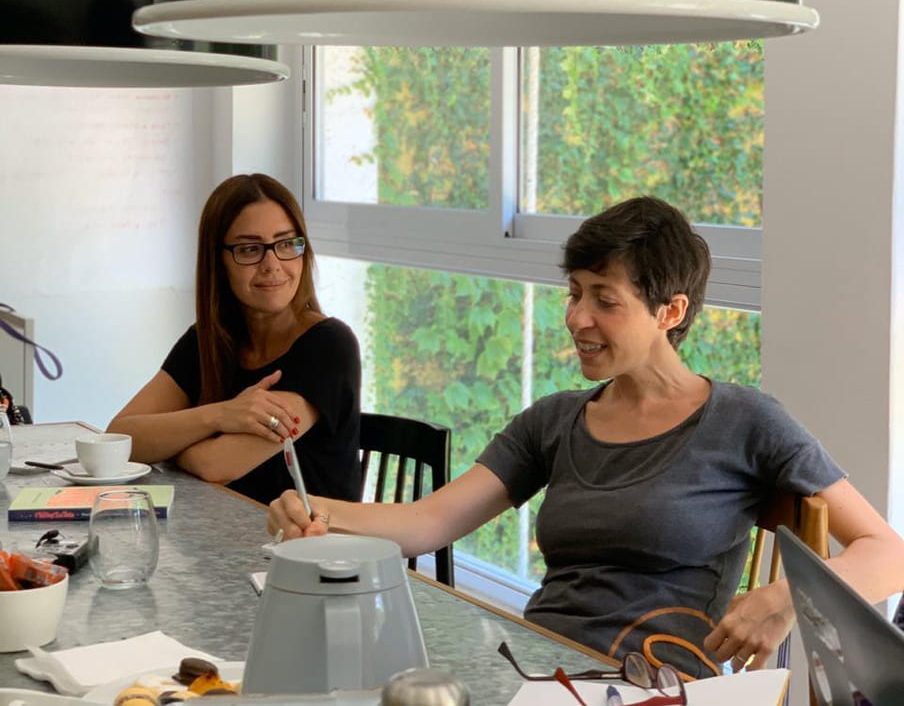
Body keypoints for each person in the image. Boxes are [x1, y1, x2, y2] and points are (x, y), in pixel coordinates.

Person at [267, 196, 904, 678]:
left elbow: (889, 551)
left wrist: (786, 595)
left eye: (605, 299)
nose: (577, 318)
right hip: (539, 671)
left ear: (670, 312)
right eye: (574, 294)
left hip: (654, 685)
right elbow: (428, 523)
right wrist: (320, 511)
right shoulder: (555, 419)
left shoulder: (746, 421)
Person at [109, 173, 361, 506]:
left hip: (310, 549)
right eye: (250, 249)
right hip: (226, 535)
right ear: (219, 261)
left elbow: (216, 466)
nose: (272, 264)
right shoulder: (209, 339)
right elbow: (119, 438)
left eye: (286, 244)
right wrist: (220, 415)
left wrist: (172, 446)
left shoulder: (329, 346)